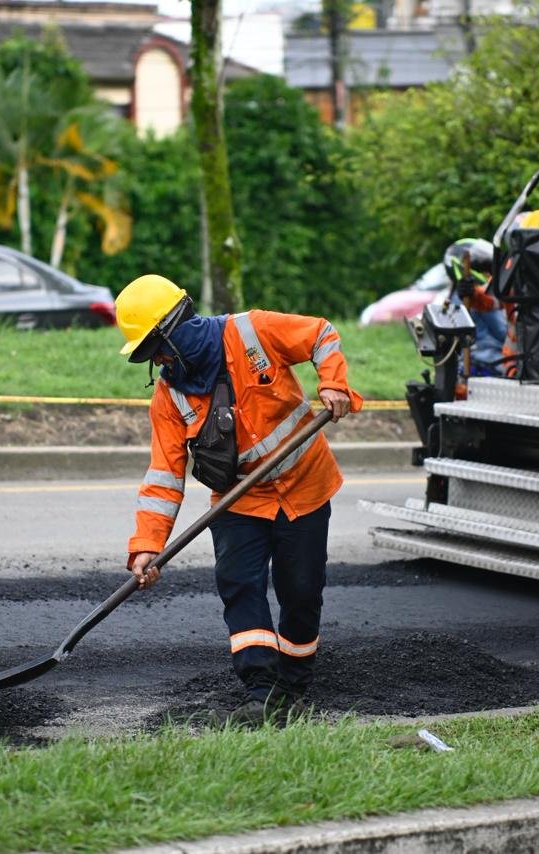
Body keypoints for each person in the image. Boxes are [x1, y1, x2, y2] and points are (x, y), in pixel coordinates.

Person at [115, 274, 362, 727]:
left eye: (158, 349)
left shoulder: (254, 331)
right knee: (238, 584)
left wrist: (334, 383)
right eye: (149, 356)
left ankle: (293, 686)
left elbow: (321, 334)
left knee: (301, 591)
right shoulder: (169, 396)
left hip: (305, 487)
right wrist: (147, 545)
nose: (159, 361)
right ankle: (262, 690)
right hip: (238, 500)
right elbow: (164, 475)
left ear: (177, 329)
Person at [443, 238, 506, 376]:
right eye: (483, 268)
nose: (488, 272)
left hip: (474, 360)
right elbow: (503, 332)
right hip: (490, 362)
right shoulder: (471, 297)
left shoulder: (457, 296)